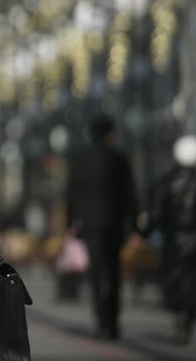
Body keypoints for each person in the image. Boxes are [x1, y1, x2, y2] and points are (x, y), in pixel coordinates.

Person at [65, 114, 139, 340]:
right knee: (114, 271)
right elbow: (129, 194)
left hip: (89, 225)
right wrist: (135, 226)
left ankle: (100, 322)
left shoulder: (81, 159)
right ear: (110, 134)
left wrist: (70, 222)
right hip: (114, 224)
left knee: (96, 272)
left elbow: (71, 193)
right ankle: (112, 322)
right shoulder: (119, 158)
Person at [140, 160, 196, 344]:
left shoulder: (168, 181)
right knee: (191, 278)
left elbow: (157, 211)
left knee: (175, 278)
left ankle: (181, 313)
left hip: (174, 238)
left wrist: (145, 232)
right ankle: (188, 313)